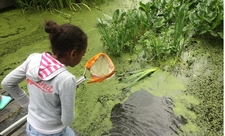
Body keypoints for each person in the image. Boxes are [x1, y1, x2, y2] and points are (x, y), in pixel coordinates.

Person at [1, 20, 88, 136]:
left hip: (31, 126)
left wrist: (28, 104)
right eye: (83, 54)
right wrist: (69, 93)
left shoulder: (33, 59)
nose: (82, 57)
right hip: (54, 132)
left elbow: (7, 83)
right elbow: (67, 120)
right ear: (73, 54)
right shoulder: (67, 79)